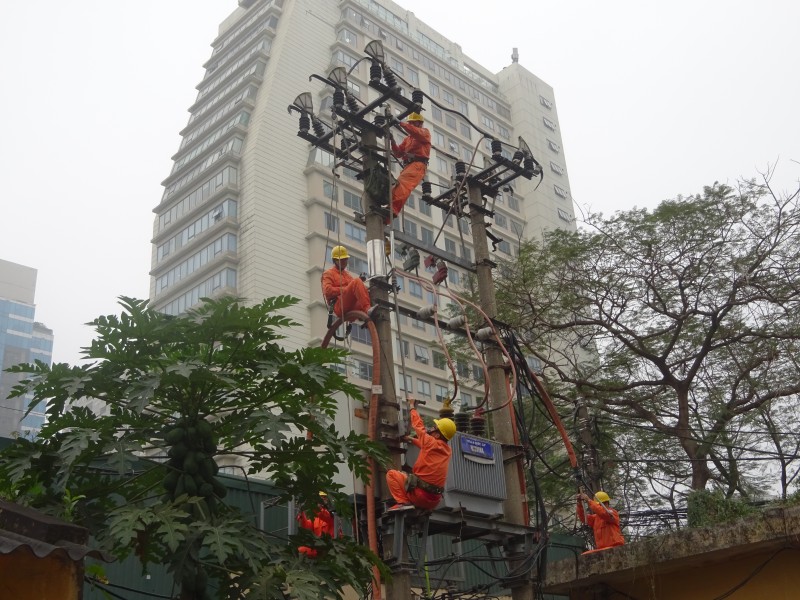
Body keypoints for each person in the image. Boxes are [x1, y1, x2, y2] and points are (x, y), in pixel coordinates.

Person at [386, 398, 456, 511]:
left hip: (419, 496)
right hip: (434, 502)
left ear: (438, 435)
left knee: (392, 474)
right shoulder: (447, 450)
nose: (431, 429)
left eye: (434, 428)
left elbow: (418, 426)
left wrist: (412, 406)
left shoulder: (429, 442)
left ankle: (403, 502)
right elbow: (426, 446)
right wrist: (410, 439)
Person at [388, 112, 431, 222]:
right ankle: (389, 214)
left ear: (419, 123)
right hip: (409, 166)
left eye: (413, 122)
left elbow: (416, 132)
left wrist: (399, 122)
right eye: (410, 122)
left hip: (418, 165)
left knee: (402, 186)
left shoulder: (424, 133)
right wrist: (392, 141)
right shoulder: (408, 139)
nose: (411, 124)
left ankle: (392, 209)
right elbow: (398, 153)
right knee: (396, 186)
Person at [322, 245, 371, 319]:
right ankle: (367, 309)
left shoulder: (347, 275)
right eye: (342, 259)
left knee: (370, 292)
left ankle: (369, 314)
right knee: (357, 281)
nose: (344, 261)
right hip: (339, 305)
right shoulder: (328, 273)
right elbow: (328, 290)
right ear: (335, 260)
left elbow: (353, 289)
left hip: (350, 307)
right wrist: (345, 289)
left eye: (345, 259)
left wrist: (360, 283)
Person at [297, 491, 336, 558]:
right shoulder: (316, 516)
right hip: (319, 547)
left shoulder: (333, 513)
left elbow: (325, 516)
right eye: (321, 497)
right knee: (301, 550)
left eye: (324, 497)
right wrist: (301, 513)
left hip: (331, 548)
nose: (322, 499)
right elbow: (306, 527)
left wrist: (315, 506)